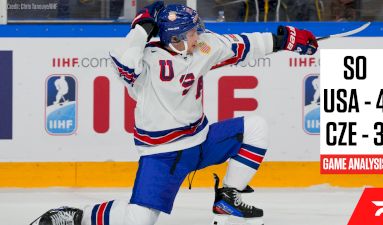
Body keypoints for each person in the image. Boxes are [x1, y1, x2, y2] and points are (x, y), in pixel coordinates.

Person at [31, 1, 318, 225]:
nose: (199, 35)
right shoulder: (144, 63)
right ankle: (78, 215)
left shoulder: (204, 46)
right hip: (161, 155)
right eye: (192, 32)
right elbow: (123, 62)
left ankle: (228, 198)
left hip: (202, 141)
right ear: (177, 38)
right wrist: (141, 28)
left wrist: (285, 40)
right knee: (138, 220)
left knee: (256, 128)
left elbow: (241, 44)